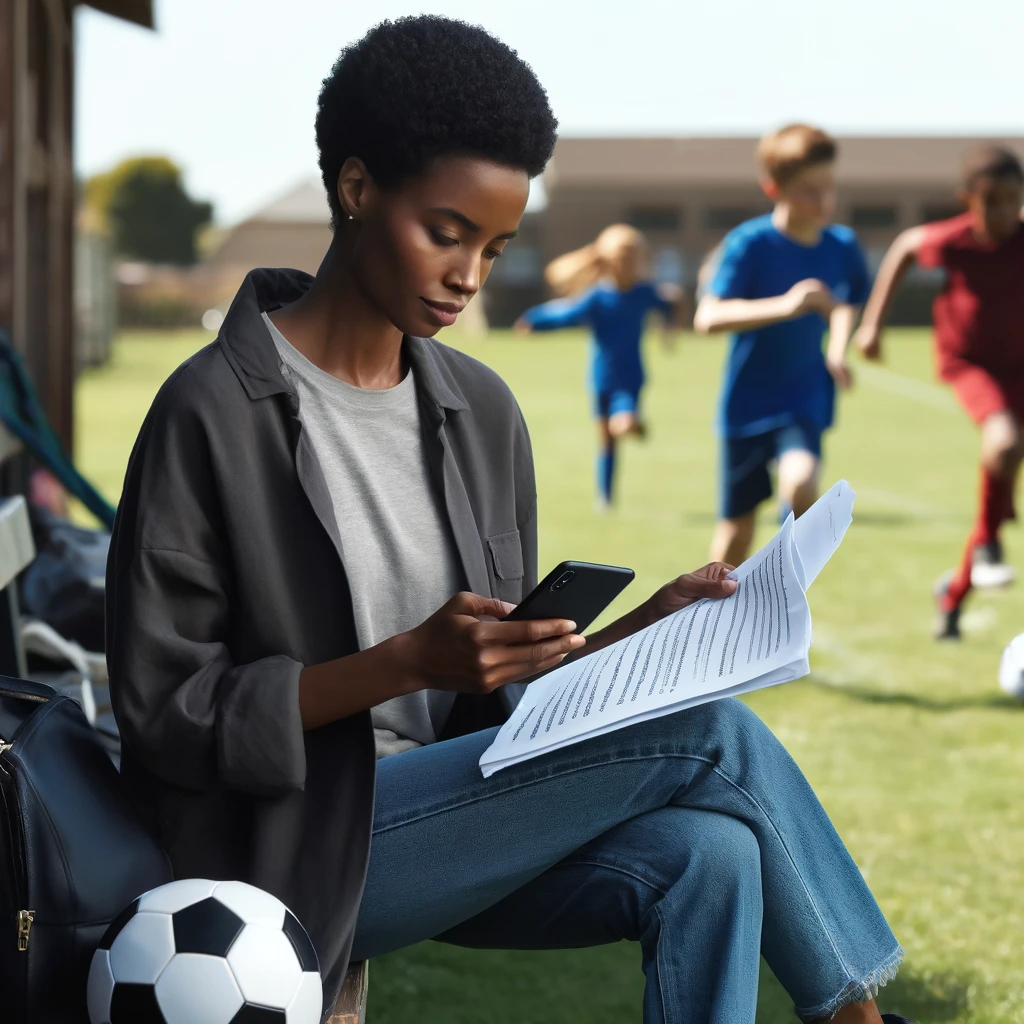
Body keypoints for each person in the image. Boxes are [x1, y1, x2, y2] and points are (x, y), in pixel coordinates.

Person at [106, 19, 911, 1024]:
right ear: (355, 189)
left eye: (494, 246)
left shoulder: (479, 412)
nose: (470, 275)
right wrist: (401, 664)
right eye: (446, 233)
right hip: (297, 843)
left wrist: (634, 637)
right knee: (715, 738)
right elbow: (166, 715)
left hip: (461, 811)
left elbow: (496, 689)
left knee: (715, 854)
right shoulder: (210, 411)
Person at [853, 145, 1024, 640]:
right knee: (1004, 444)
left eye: (1013, 200)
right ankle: (990, 544)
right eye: (990, 201)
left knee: (999, 475)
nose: (1002, 212)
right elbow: (906, 246)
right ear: (967, 200)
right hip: (969, 365)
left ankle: (952, 597)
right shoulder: (954, 242)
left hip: (1020, 370)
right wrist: (872, 325)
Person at [693, 124, 871, 566]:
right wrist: (788, 305)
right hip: (746, 407)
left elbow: (845, 305)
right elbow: (708, 317)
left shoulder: (842, 245)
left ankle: (779, 599)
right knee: (735, 533)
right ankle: (710, 622)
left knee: (801, 484)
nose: (823, 200)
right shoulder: (751, 243)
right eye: (809, 190)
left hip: (803, 399)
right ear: (774, 187)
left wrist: (837, 349)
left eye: (828, 187)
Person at [514, 225, 683, 510]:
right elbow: (566, 313)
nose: (628, 263)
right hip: (600, 377)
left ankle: (632, 423)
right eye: (622, 257)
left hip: (630, 376)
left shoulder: (644, 292)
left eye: (633, 257)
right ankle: (605, 499)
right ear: (608, 260)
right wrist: (534, 320)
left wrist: (671, 327)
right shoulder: (597, 297)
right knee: (606, 442)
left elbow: (672, 304)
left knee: (621, 423)